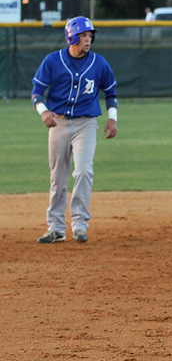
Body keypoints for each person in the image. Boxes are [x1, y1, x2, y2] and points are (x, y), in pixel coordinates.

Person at [31, 16, 119, 244]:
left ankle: (80, 224)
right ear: (72, 36)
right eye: (83, 35)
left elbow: (111, 93)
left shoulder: (99, 63)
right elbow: (37, 92)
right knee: (57, 177)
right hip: (58, 123)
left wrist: (112, 119)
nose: (88, 39)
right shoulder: (53, 60)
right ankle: (56, 228)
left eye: (90, 35)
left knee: (83, 171)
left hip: (86, 123)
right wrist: (43, 112)